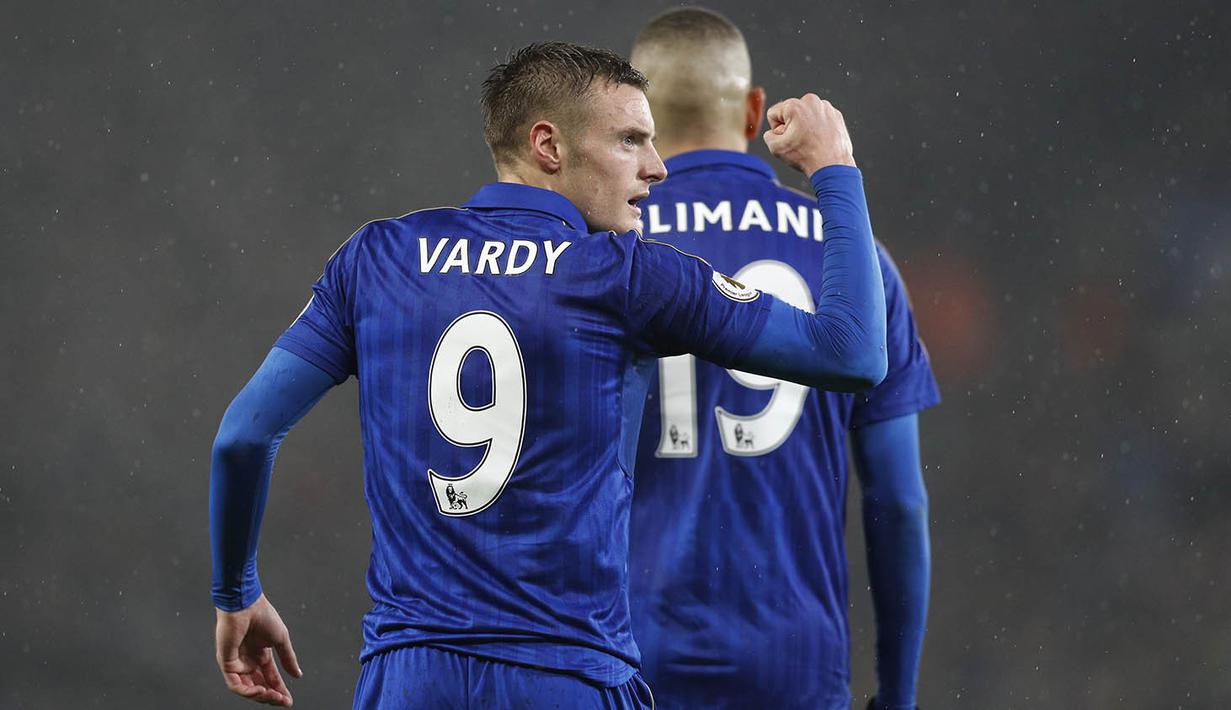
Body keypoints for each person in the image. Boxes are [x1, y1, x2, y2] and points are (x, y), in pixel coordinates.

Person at [209, 41, 887, 708]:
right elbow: (852, 354)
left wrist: (237, 592)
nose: (655, 168)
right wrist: (834, 168)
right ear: (548, 146)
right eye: (629, 140)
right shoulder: (628, 277)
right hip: (567, 674)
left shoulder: (377, 259)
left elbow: (242, 436)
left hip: (410, 678)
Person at [626, 9, 940, 710]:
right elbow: (897, 501)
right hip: (791, 661)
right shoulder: (853, 259)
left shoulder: (601, 250)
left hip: (625, 653)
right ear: (753, 108)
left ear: (637, 115)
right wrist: (898, 693)